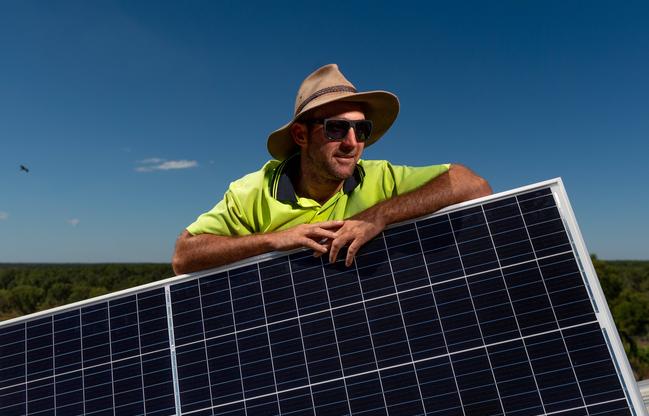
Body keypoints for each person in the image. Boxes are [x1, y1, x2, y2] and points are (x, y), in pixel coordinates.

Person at [172, 64, 491, 275]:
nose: (352, 143)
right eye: (336, 129)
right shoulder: (252, 192)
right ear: (301, 135)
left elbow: (473, 184)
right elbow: (184, 256)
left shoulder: (380, 177)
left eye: (361, 130)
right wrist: (273, 240)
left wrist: (378, 215)